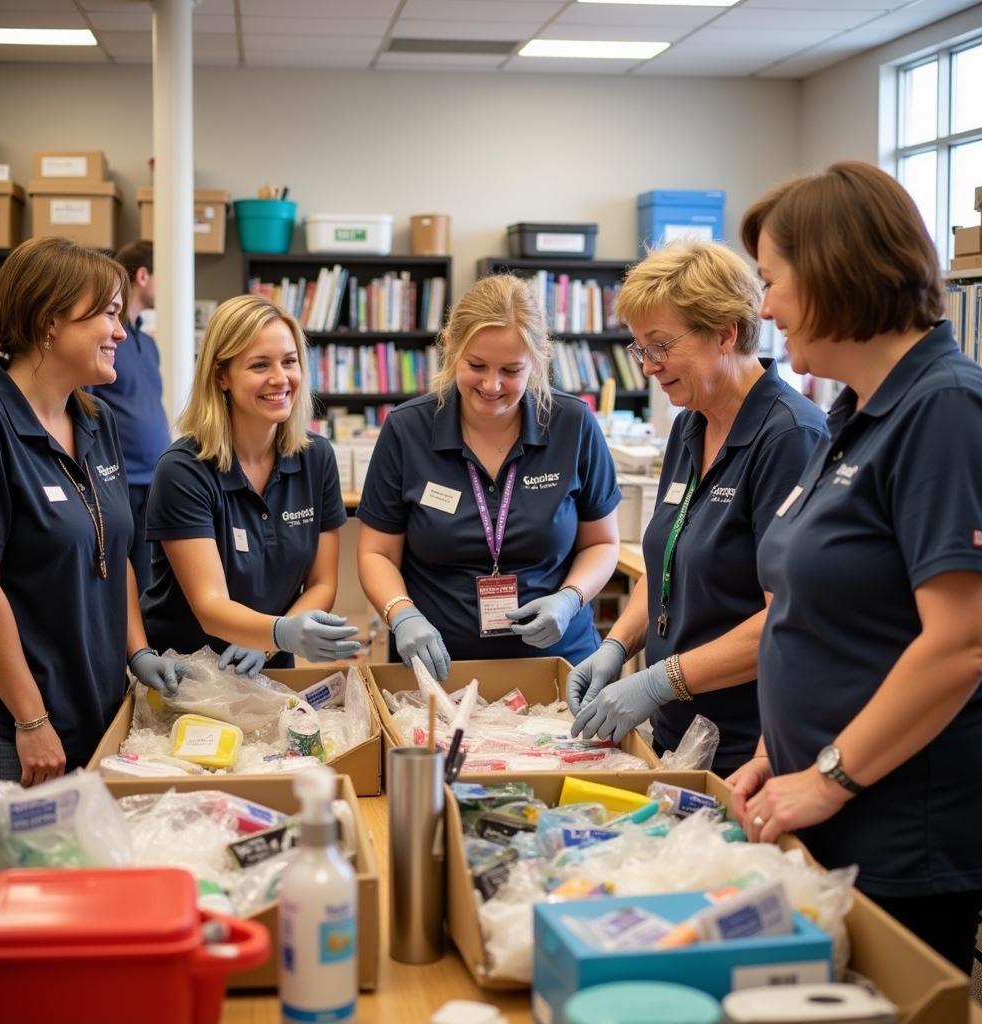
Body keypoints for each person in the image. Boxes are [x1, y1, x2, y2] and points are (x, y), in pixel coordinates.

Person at [729, 160, 982, 972]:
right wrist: (780, 751)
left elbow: (962, 643)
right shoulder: (857, 412)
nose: (764, 306)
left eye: (773, 280)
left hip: (902, 829)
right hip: (823, 804)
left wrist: (829, 776)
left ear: (838, 269)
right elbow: (829, 611)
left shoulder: (944, 408)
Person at [569, 241, 827, 777]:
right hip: (678, 731)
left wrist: (659, 679)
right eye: (641, 349)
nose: (649, 367)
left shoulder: (789, 437)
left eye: (660, 345)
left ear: (726, 332)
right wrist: (616, 645)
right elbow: (668, 563)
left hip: (750, 744)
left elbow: (789, 617)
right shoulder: (691, 422)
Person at [0, 237, 190, 786]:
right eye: (108, 314)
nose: (121, 331)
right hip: (20, 723)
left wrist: (138, 651)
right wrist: (30, 718)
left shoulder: (96, 419)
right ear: (49, 320)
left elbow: (114, 553)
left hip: (98, 705)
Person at [356, 273, 621, 681]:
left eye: (511, 370)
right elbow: (377, 554)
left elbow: (602, 543)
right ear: (451, 348)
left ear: (536, 361)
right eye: (476, 365)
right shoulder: (407, 430)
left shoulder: (573, 425)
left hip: (559, 663)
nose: (492, 385)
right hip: (438, 667)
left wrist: (570, 599)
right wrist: (401, 613)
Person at [140, 294, 361, 676]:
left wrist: (272, 645)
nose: (280, 378)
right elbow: (210, 605)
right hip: (187, 674)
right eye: (259, 365)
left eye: (289, 361)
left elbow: (322, 582)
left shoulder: (316, 458)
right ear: (221, 376)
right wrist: (279, 632)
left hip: (273, 666)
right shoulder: (183, 470)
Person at [92, 240, 171, 591]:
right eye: (160, 276)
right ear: (142, 275)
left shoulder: (147, 343)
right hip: (120, 481)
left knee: (153, 579)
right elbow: (87, 409)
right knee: (125, 581)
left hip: (156, 481)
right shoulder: (106, 343)